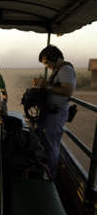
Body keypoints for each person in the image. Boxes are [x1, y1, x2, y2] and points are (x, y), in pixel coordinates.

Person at [32, 45, 76, 180]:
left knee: (51, 147)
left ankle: (50, 178)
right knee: (45, 143)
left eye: (46, 62)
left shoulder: (66, 69)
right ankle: (45, 172)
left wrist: (46, 85)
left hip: (56, 114)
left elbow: (68, 91)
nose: (46, 66)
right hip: (50, 113)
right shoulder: (59, 70)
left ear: (53, 57)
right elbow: (54, 88)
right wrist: (43, 86)